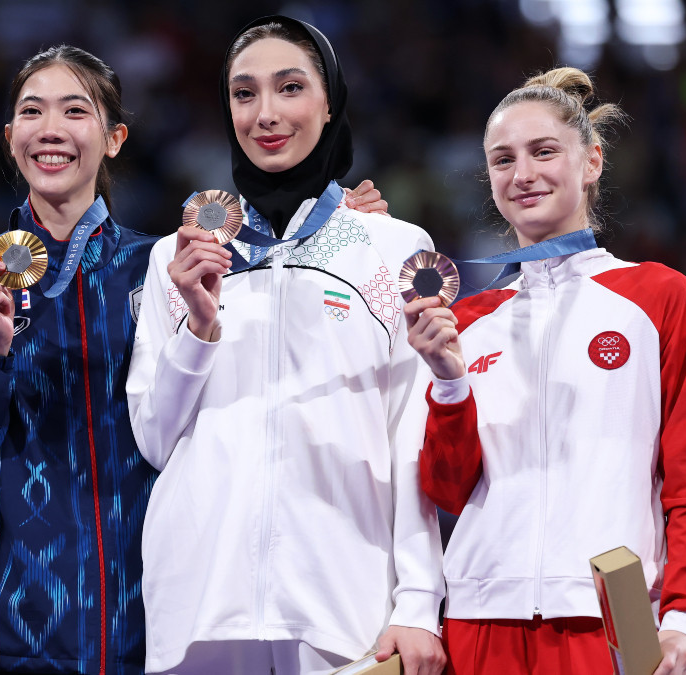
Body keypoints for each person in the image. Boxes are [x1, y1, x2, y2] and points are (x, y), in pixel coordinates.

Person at [0, 44, 388, 675]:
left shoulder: (164, 269)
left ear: (115, 138)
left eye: (76, 110)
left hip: (142, 611)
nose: (51, 130)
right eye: (31, 111)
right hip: (5, 620)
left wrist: (348, 229)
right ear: (10, 135)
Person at [127, 16, 446, 675]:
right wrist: (198, 324)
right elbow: (155, 440)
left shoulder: (391, 249)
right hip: (199, 606)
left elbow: (414, 432)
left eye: (290, 87)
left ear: (329, 101)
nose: (265, 113)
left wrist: (418, 600)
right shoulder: (176, 259)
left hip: (343, 609)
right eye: (244, 94)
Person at [403, 67, 686, 675]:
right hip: (479, 620)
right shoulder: (467, 320)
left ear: (592, 162)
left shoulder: (659, 297)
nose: (522, 174)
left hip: (608, 621)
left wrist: (684, 619)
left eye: (543, 151)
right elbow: (447, 491)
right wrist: (449, 382)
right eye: (502, 160)